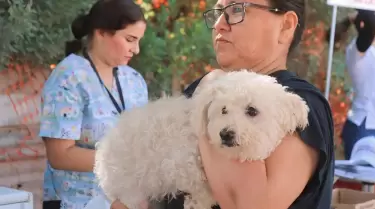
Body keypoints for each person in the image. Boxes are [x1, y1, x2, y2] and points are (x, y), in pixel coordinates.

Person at [112, 0, 329, 209]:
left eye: (236, 10)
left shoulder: (298, 103)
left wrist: (211, 97)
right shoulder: (209, 87)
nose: (219, 25)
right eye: (218, 12)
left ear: (286, 25)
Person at [38, 0, 148, 208]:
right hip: (75, 201)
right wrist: (125, 161)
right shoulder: (68, 78)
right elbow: (60, 155)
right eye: (130, 40)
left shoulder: (134, 80)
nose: (136, 50)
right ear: (102, 33)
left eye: (138, 41)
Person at [335, 10, 375, 160]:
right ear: (365, 23)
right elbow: (369, 22)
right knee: (363, 182)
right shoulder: (358, 51)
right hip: (366, 127)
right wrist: (355, 16)